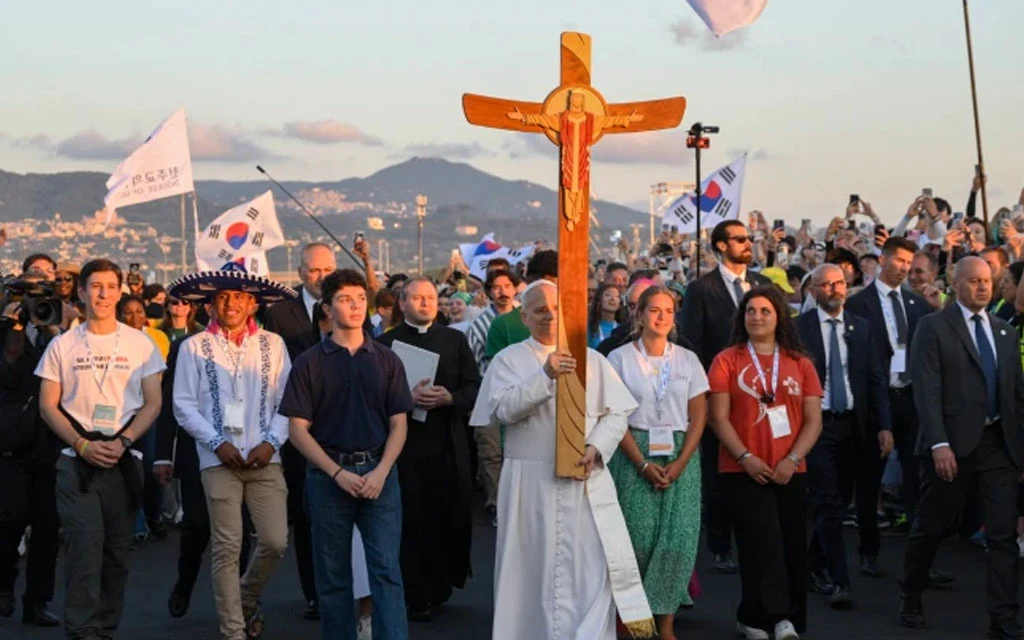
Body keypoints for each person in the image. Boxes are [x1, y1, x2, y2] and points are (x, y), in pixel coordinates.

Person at [469, 280, 654, 640]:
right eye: (540, 310)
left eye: (556, 309)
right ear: (524, 317)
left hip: (584, 481)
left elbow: (617, 414)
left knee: (589, 571)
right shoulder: (509, 360)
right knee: (530, 574)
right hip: (529, 484)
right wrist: (546, 376)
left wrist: (596, 447)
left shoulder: (593, 360)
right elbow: (504, 409)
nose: (550, 316)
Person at [279, 268, 412, 640]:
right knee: (333, 577)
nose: (354, 306)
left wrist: (381, 472)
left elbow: (399, 424)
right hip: (327, 477)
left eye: (359, 299)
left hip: (379, 475)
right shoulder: (309, 363)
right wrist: (337, 473)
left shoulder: (386, 360)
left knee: (386, 572)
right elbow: (297, 430)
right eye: (343, 300)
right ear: (327, 308)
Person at [35, 258, 165, 640]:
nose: (103, 294)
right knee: (83, 549)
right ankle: (83, 632)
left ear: (120, 291)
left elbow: (153, 402)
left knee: (116, 556)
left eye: (110, 286)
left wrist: (123, 442)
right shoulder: (63, 344)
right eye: (95, 286)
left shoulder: (140, 344)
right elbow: (47, 404)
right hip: (76, 462)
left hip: (124, 462)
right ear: (81, 291)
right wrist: (81, 443)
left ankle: (105, 629)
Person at [900, 257, 1024, 639]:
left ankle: (1003, 620)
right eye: (973, 281)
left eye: (988, 281)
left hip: (998, 446)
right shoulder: (932, 327)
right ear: (955, 284)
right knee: (932, 526)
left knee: (1003, 535)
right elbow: (927, 388)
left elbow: (1015, 397)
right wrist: (939, 443)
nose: (982, 287)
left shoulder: (1004, 332)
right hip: (950, 445)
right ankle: (912, 596)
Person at [171, 270, 295, 640]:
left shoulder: (273, 344)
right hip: (217, 460)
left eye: (239, 296)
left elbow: (288, 402)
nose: (231, 303)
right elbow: (183, 405)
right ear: (211, 303)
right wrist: (216, 443)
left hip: (264, 456)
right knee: (227, 545)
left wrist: (271, 442)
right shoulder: (193, 347)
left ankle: (244, 597)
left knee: (275, 541)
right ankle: (233, 631)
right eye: (223, 297)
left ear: (252, 302)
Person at [707, 285, 823, 640]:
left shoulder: (800, 363)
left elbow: (813, 420)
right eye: (750, 311)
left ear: (779, 317)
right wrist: (745, 457)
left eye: (765, 311)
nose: (757, 317)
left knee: (791, 544)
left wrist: (792, 458)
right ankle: (772, 618)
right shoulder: (727, 360)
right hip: (741, 469)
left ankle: (770, 618)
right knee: (761, 542)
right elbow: (717, 418)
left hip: (790, 468)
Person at [607, 285, 708, 640]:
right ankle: (635, 622)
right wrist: (641, 463)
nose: (662, 317)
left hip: (681, 453)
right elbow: (614, 415)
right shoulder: (618, 359)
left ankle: (666, 625)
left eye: (668, 311)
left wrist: (681, 461)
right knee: (638, 540)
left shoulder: (687, 360)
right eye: (654, 310)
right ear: (639, 314)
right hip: (635, 449)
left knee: (677, 542)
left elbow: (699, 415)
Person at [377, 276, 479, 622]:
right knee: (411, 518)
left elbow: (475, 388)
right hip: (405, 448)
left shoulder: (455, 340)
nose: (425, 304)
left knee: (446, 514)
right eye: (417, 298)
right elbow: (374, 395)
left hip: (448, 444)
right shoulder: (386, 344)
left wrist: (450, 398)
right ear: (401, 303)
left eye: (430, 298)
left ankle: (440, 586)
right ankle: (414, 592)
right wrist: (406, 399)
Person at [796, 264, 892, 609]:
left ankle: (810, 566)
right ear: (813, 291)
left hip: (855, 425)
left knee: (839, 499)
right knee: (827, 502)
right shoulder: (798, 329)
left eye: (839, 284)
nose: (835, 290)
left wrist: (884, 425)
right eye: (827, 285)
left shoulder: (861, 328)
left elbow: (877, 378)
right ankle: (840, 581)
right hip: (816, 426)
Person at [845, 237, 946, 561]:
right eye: (899, 261)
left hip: (911, 398)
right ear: (883, 260)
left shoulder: (917, 304)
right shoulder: (859, 304)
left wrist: (938, 311)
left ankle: (921, 558)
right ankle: (868, 551)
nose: (904, 268)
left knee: (918, 477)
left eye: (909, 263)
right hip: (877, 400)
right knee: (869, 477)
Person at [678, 220, 771, 574]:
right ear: (720, 245)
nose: (748, 244)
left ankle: (755, 536)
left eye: (749, 238)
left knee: (758, 459)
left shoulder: (762, 284)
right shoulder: (701, 289)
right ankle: (720, 545)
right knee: (720, 470)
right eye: (740, 239)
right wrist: (704, 392)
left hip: (761, 392)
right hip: (718, 392)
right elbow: (693, 344)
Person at [263, 242, 336, 620]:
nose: (321, 277)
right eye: (314, 271)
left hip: (340, 426)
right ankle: (314, 594)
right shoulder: (277, 314)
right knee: (305, 514)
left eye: (327, 270)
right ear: (300, 272)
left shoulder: (348, 306)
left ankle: (341, 588)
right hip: (295, 427)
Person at [0, 273, 63, 627]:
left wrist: (55, 335)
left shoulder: (57, 332)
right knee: (7, 522)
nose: (33, 306)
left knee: (47, 530)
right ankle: (4, 584)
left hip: (49, 444)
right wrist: (13, 331)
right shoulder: (4, 329)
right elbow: (7, 375)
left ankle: (37, 602)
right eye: (26, 297)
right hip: (9, 445)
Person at [463, 269, 520, 525]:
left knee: (517, 452)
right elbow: (473, 362)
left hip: (521, 395)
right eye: (496, 287)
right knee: (492, 452)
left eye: (507, 285)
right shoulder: (478, 325)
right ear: (488, 292)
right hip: (489, 394)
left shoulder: (526, 317)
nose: (503, 291)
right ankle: (498, 503)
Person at [484, 249, 558, 365]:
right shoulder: (502, 326)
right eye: (550, 284)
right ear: (531, 281)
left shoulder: (575, 322)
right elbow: (495, 376)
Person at [116, 295, 170, 361]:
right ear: (119, 316)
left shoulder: (158, 336)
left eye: (139, 311)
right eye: (128, 313)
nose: (135, 317)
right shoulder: (115, 339)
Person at [587, 283, 621, 348]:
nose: (612, 299)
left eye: (617, 296)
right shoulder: (588, 328)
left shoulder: (622, 330)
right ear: (598, 301)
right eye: (608, 295)